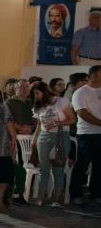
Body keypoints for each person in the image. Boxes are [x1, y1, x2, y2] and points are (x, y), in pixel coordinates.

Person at [29, 81, 76, 207]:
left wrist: (56, 123)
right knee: (43, 168)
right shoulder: (38, 106)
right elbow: (39, 125)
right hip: (44, 136)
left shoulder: (61, 101)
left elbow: (72, 119)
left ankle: (57, 199)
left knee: (58, 168)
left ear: (45, 91)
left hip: (61, 136)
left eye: (37, 93)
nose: (35, 96)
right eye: (34, 94)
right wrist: (34, 140)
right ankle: (41, 197)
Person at [70, 65, 101, 205]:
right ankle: (75, 194)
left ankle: (96, 194)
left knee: (99, 166)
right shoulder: (80, 93)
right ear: (94, 76)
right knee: (82, 164)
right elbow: (82, 113)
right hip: (86, 135)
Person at [4, 78, 34, 206]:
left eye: (27, 87)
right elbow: (7, 120)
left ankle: (20, 193)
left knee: (27, 165)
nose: (24, 89)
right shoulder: (9, 102)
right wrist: (21, 128)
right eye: (21, 87)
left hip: (28, 139)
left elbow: (36, 119)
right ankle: (11, 194)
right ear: (16, 89)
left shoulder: (31, 103)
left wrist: (31, 128)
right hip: (13, 139)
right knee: (16, 166)